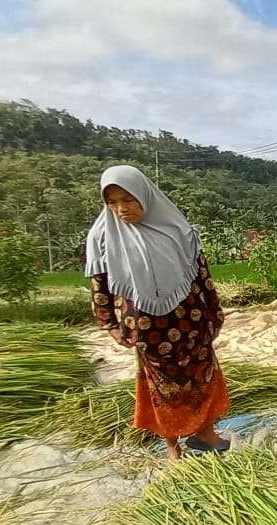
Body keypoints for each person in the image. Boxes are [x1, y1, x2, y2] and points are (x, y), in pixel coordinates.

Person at [85, 165, 230, 460]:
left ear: (144, 195)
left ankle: (206, 434)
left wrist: (214, 311)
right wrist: (109, 325)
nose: (121, 209)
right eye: (112, 202)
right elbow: (99, 285)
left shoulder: (176, 228)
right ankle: (172, 447)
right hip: (146, 326)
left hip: (191, 319)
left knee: (201, 376)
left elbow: (202, 274)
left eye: (128, 199)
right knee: (161, 386)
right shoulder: (103, 237)